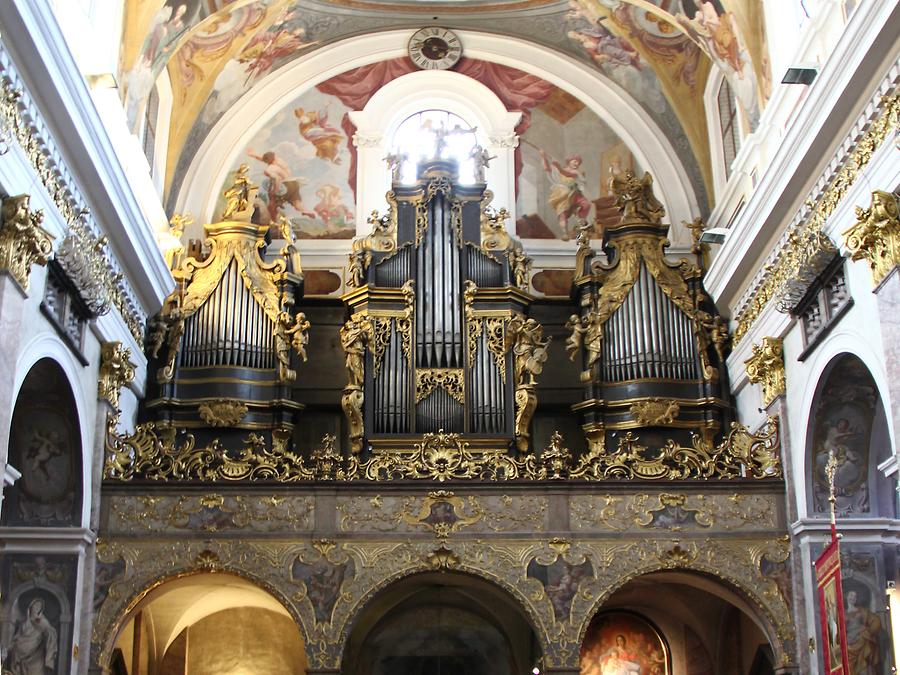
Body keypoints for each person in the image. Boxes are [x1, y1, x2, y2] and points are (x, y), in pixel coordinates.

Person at [538, 149, 592, 239]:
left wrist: (558, 166)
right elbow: (546, 168)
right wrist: (543, 156)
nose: (577, 164)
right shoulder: (560, 169)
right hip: (562, 194)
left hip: (574, 193)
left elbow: (566, 173)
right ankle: (565, 233)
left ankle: (581, 222)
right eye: (575, 161)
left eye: (578, 162)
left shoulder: (576, 172)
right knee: (562, 214)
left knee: (586, 204)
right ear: (569, 162)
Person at [6, 597, 58, 675]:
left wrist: (44, 628)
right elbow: (17, 637)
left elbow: (51, 634)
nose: (37, 608)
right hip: (21, 657)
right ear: (30, 608)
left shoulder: (43, 622)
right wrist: (12, 645)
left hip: (37, 657)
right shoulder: (24, 624)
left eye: (39, 607)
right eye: (35, 606)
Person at [845, 589, 882, 675]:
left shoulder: (862, 611)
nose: (853, 598)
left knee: (864, 667)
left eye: (855, 596)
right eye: (851, 595)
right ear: (846, 596)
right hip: (849, 643)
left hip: (862, 641)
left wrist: (868, 631)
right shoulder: (842, 614)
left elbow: (876, 621)